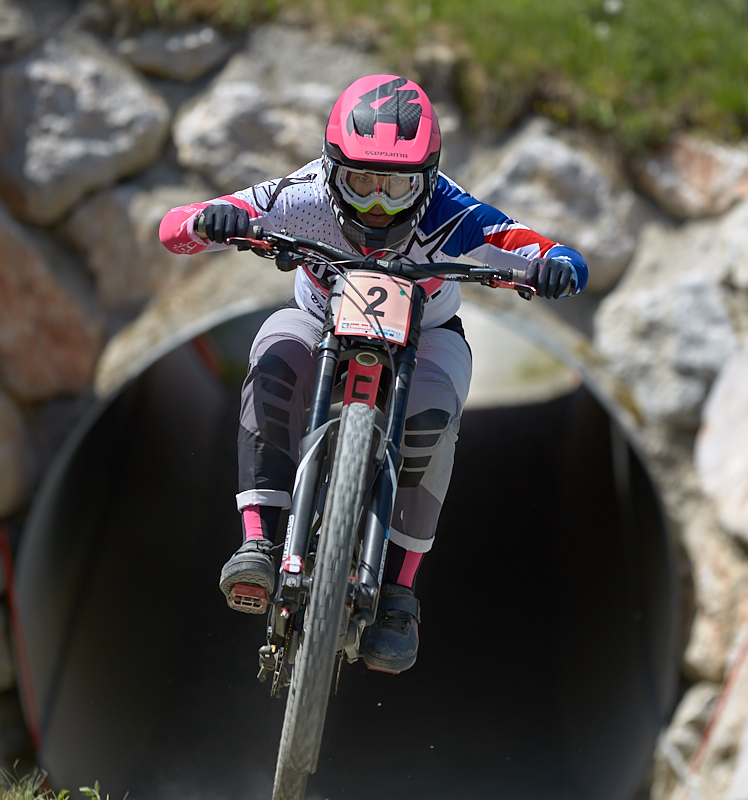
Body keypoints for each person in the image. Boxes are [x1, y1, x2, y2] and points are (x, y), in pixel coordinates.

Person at [159, 74, 587, 674]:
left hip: (429, 334)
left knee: (434, 413)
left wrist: (556, 265)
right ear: (333, 169)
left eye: (397, 187)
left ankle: (401, 595)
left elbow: (527, 244)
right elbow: (181, 224)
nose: (379, 204)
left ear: (430, 180)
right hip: (317, 319)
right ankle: (257, 537)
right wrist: (208, 222)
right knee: (275, 353)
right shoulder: (303, 193)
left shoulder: (453, 210)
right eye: (361, 182)